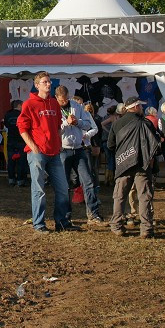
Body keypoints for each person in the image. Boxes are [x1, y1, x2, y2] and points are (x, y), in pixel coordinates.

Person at [17, 72, 78, 233]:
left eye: (49, 82)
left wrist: (58, 143)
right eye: (45, 82)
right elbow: (22, 128)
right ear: (37, 85)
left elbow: (58, 125)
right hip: (37, 152)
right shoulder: (29, 104)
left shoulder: (53, 103)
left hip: (54, 152)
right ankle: (39, 223)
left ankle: (62, 222)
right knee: (39, 189)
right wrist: (33, 146)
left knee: (63, 188)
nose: (48, 84)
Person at [107, 96, 160, 238]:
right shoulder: (146, 123)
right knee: (144, 197)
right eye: (140, 106)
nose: (142, 108)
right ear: (136, 107)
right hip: (142, 165)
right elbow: (155, 144)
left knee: (119, 196)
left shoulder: (117, 124)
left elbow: (110, 145)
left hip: (123, 164)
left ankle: (117, 225)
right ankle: (146, 229)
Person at [56, 85, 103, 224]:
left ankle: (93, 214)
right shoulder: (54, 108)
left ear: (68, 96)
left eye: (65, 100)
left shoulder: (77, 106)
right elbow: (55, 129)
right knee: (64, 184)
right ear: (56, 98)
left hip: (79, 148)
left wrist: (78, 122)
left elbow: (88, 124)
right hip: (63, 150)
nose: (63, 102)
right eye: (61, 100)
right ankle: (65, 216)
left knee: (88, 181)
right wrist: (66, 123)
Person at [3, 100, 28, 187]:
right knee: (21, 162)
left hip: (11, 141)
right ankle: (20, 180)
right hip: (21, 141)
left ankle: (11, 179)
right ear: (20, 105)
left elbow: (6, 124)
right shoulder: (22, 114)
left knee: (11, 161)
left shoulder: (7, 114)